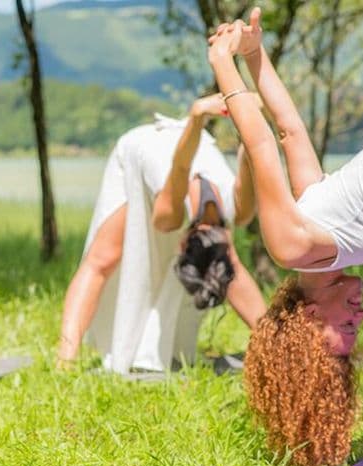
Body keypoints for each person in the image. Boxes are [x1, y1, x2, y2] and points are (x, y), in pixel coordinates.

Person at [207, 8, 363, 466]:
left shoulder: (294, 246)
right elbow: (291, 130)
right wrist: (256, 53)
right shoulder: (320, 229)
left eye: (344, 328)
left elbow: (263, 142)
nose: (358, 318)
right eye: (354, 330)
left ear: (307, 318)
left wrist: (225, 62)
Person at [57, 96, 266, 374]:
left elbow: (249, 153)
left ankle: (271, 345)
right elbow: (180, 166)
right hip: (137, 149)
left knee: (224, 267)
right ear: (181, 244)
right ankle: (65, 359)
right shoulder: (186, 214)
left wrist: (272, 343)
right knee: (104, 257)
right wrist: (196, 117)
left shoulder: (224, 217)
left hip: (184, 149)